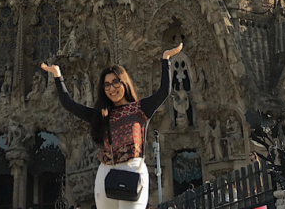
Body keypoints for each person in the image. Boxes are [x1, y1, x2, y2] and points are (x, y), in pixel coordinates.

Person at [41, 43, 182, 209]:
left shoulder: (140, 109)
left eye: (116, 82)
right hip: (106, 172)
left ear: (124, 83)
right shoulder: (102, 114)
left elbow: (164, 91)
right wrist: (58, 76)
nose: (112, 88)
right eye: (107, 85)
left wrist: (166, 59)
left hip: (133, 169)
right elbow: (69, 105)